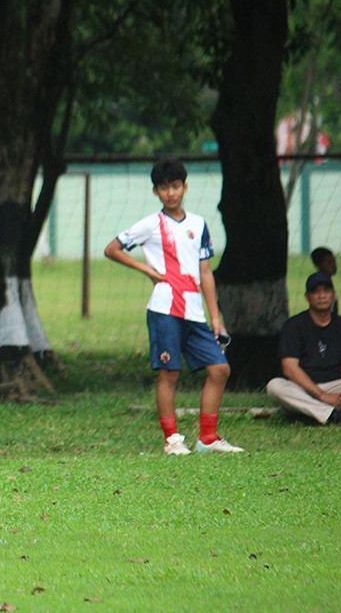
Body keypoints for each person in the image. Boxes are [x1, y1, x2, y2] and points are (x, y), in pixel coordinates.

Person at [103, 158, 243, 455]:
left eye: (176, 186)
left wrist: (215, 318)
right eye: (164, 188)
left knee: (219, 369)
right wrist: (148, 271)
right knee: (169, 374)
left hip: (194, 312)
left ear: (185, 187)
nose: (171, 193)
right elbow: (112, 249)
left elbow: (205, 272)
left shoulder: (199, 224)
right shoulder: (150, 225)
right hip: (164, 310)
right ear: (156, 191)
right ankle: (172, 440)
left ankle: (207, 439)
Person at [265, 272, 341, 424]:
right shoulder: (294, 326)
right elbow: (289, 368)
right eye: (316, 292)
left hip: (335, 386)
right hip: (301, 388)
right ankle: (330, 414)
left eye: (326, 291)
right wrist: (321, 396)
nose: (321, 296)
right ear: (307, 297)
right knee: (274, 386)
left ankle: (312, 412)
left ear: (333, 294)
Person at [311, 246, 338, 314]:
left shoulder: (328, 280)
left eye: (334, 261)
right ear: (318, 265)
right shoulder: (319, 282)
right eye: (329, 262)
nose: (334, 265)